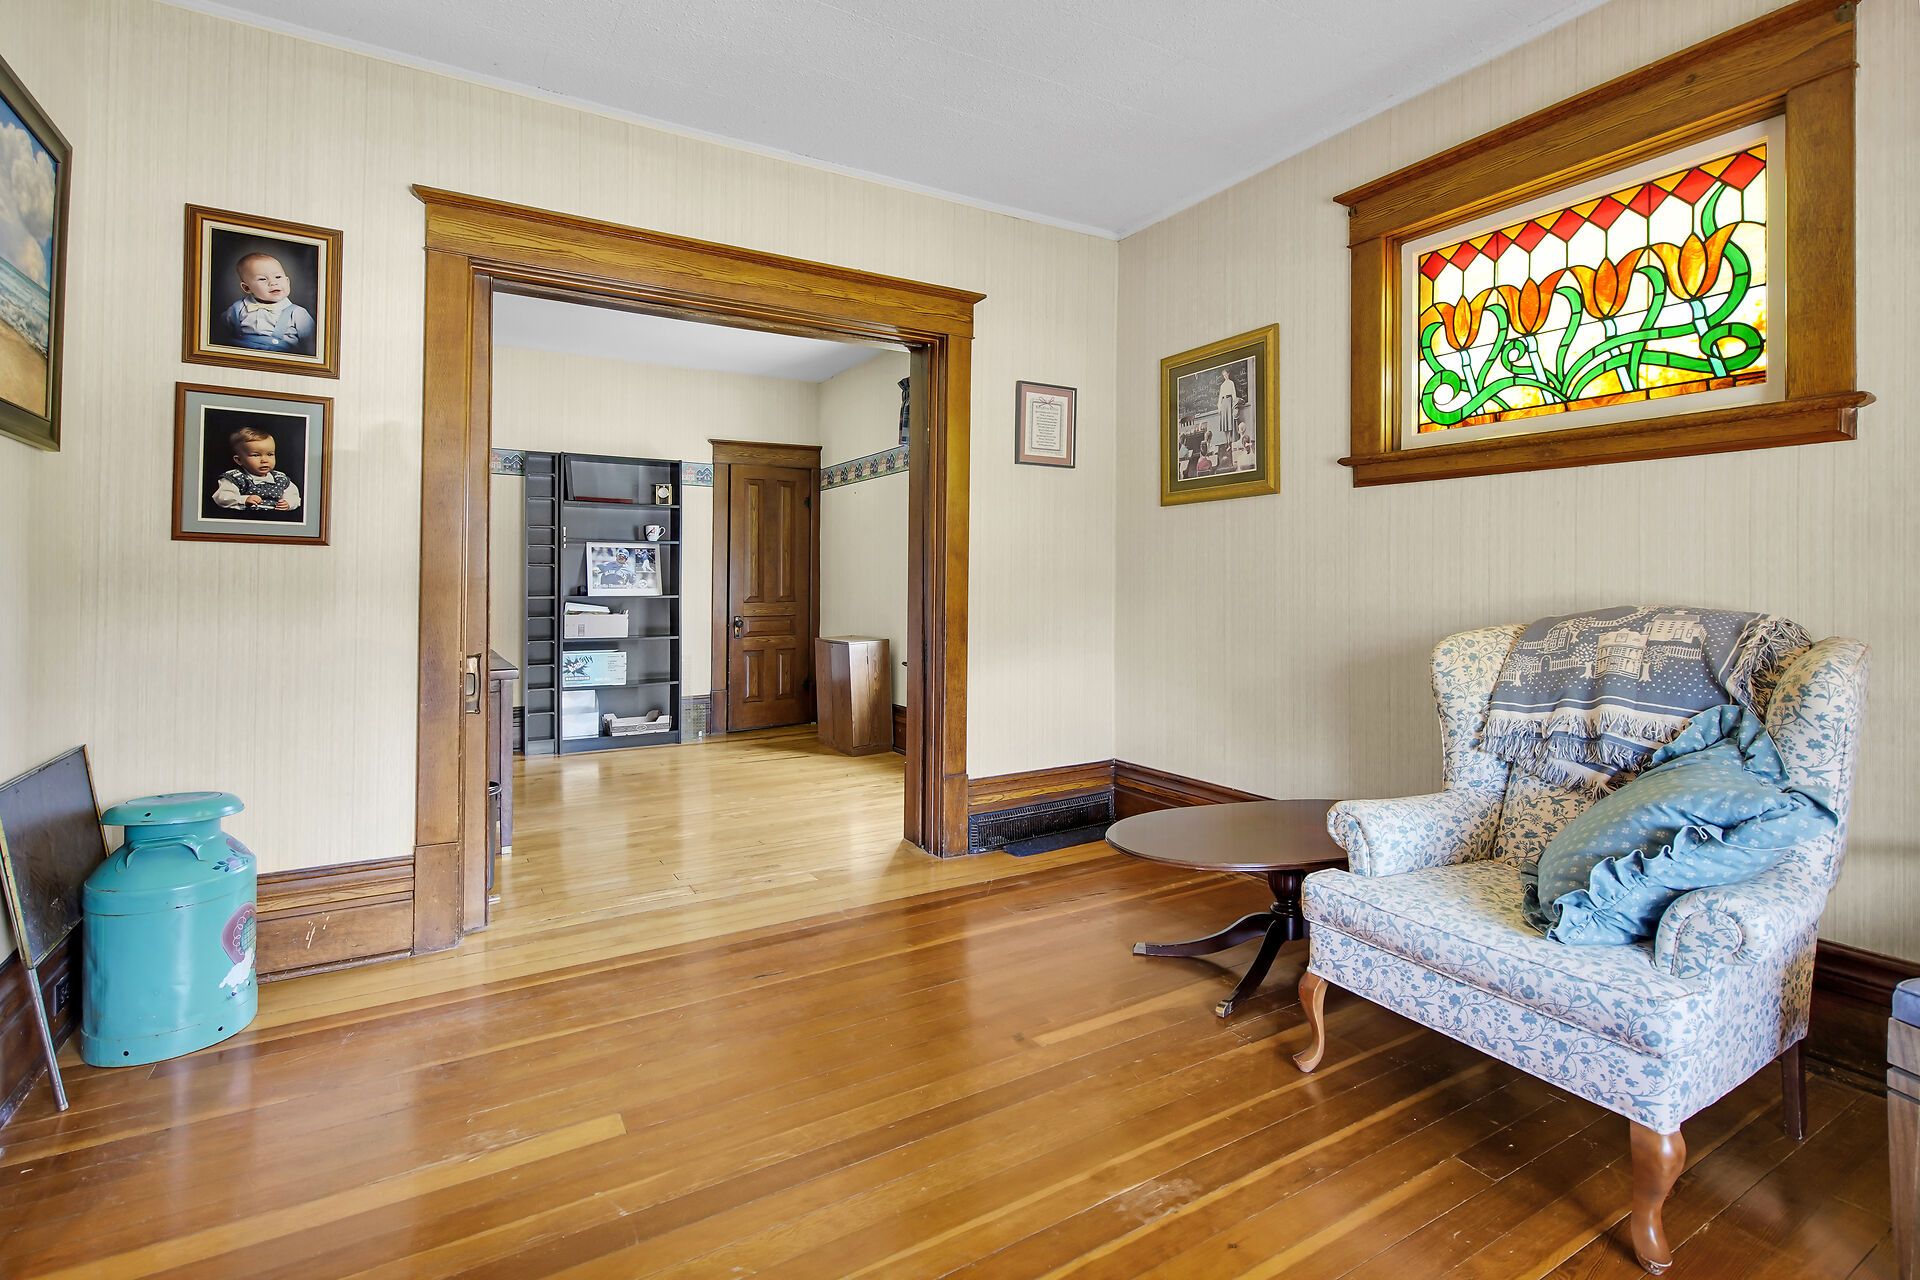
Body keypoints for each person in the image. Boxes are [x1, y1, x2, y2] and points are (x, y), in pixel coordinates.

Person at [220, 252, 316, 353]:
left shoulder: (298, 313)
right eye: (262, 279)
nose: (273, 283)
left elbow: (311, 345)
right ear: (247, 288)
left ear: (287, 281)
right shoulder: (237, 309)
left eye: (278, 277)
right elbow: (219, 335)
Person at [211, 426, 300, 514]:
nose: (264, 460)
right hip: (247, 517)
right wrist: (244, 499)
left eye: (270, 454)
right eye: (256, 455)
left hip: (276, 517)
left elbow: (294, 496)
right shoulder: (235, 477)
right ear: (239, 460)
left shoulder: (280, 478)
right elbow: (222, 497)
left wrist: (289, 503)